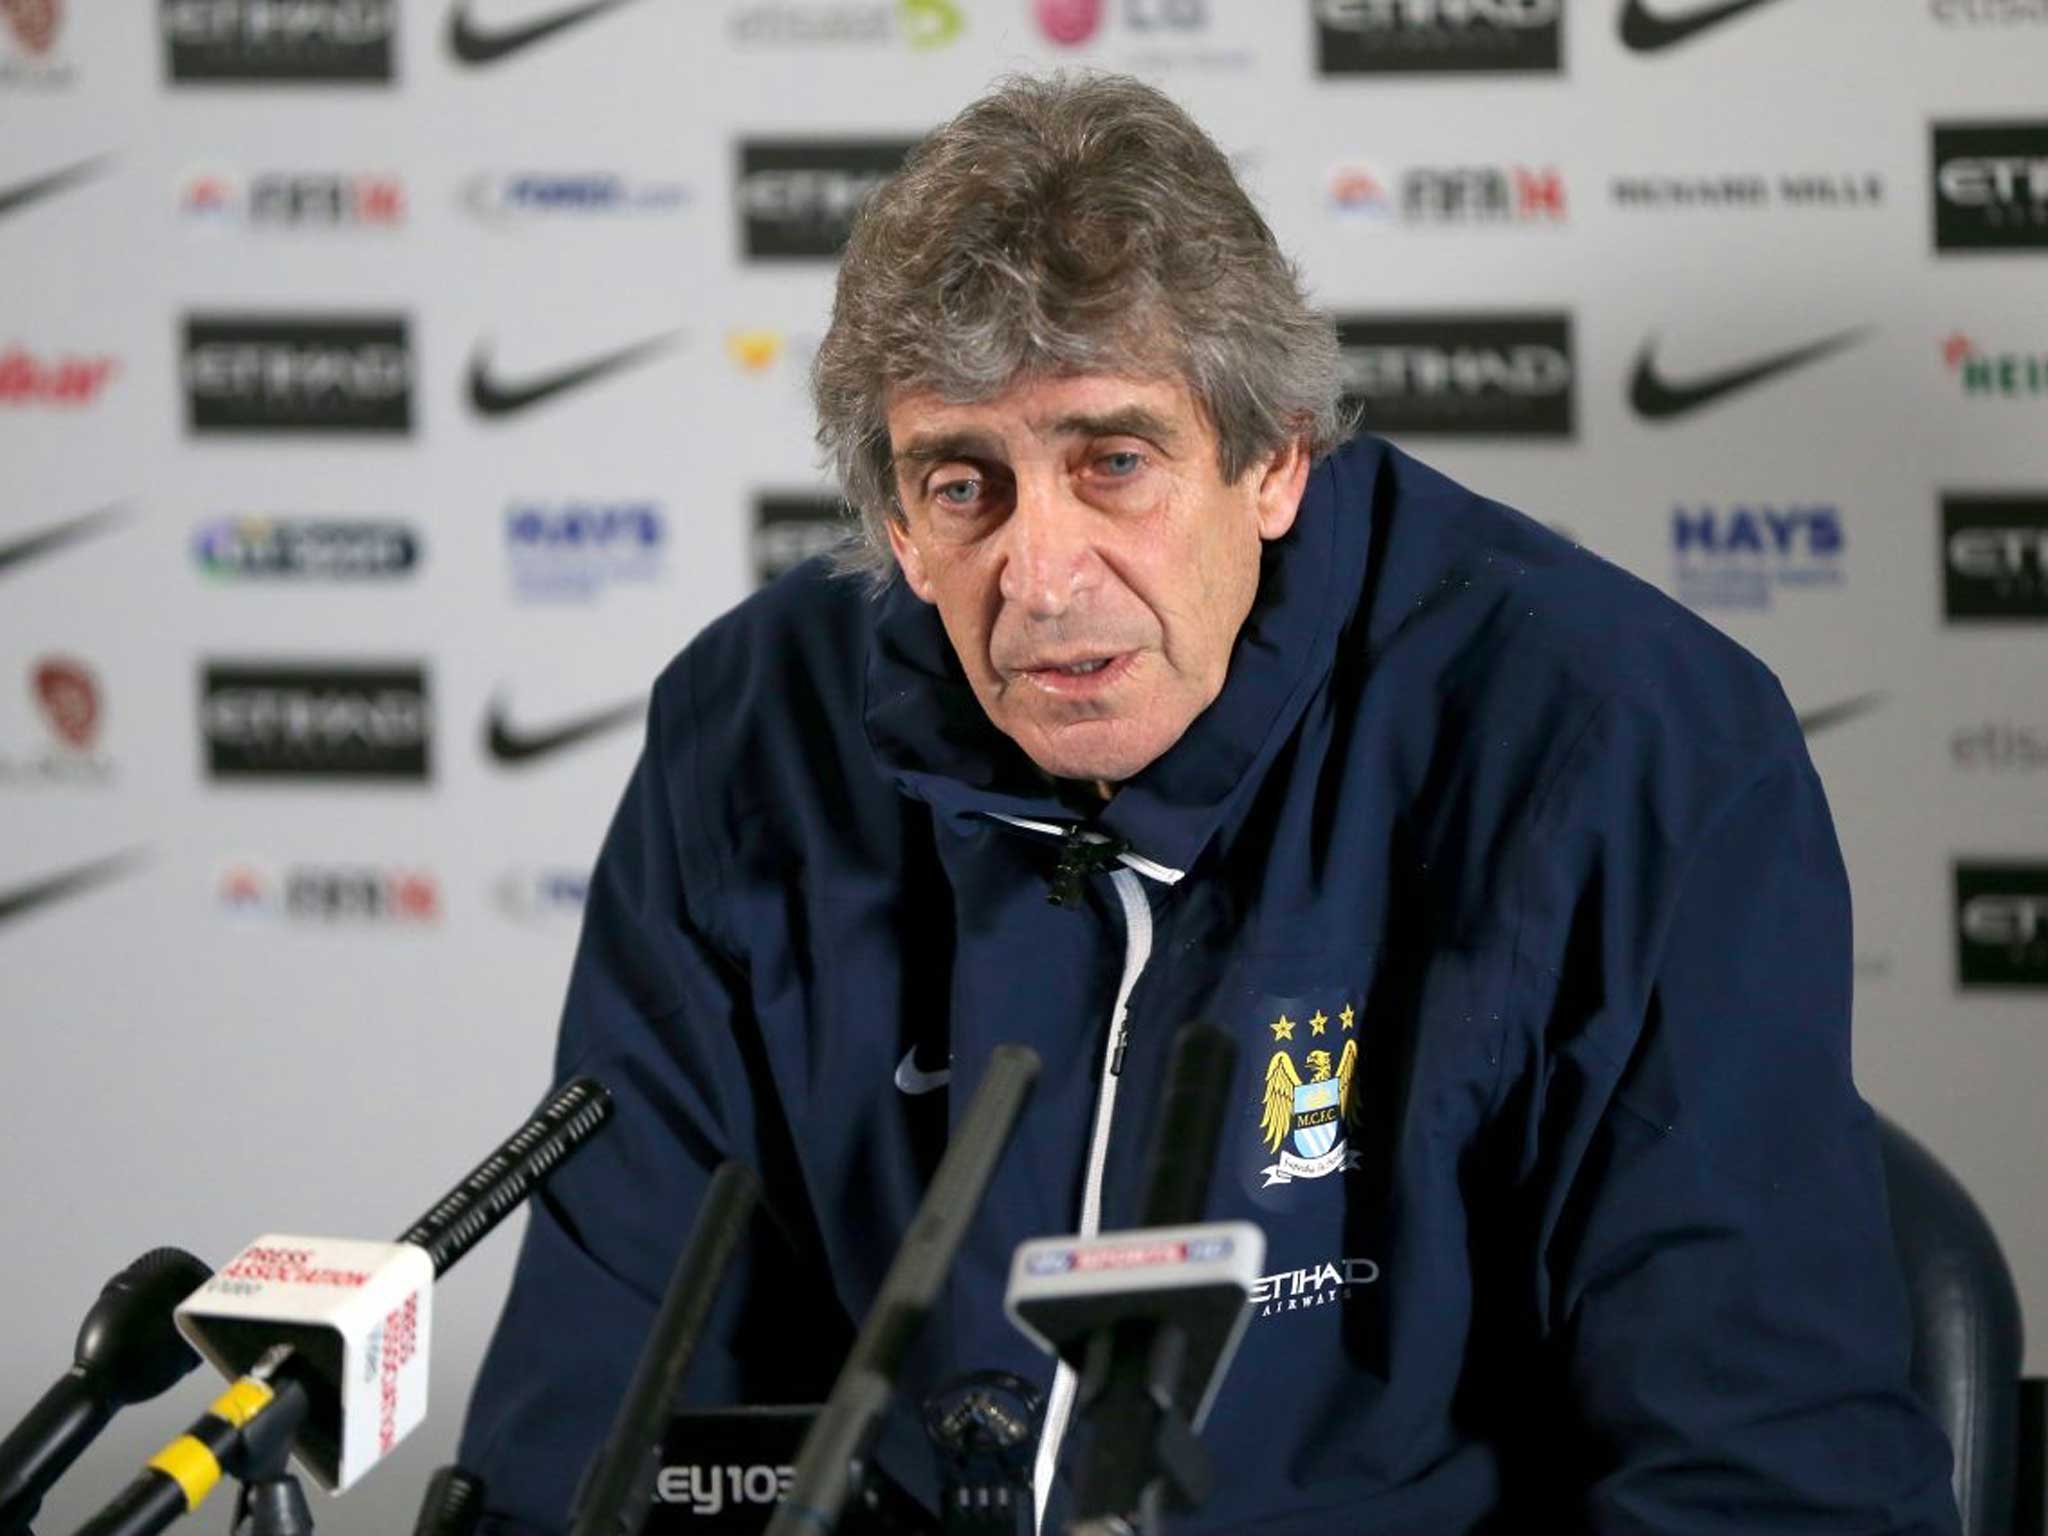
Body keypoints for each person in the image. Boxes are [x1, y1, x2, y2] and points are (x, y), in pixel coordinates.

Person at [459, 72, 1960, 1535]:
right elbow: (597, 1418)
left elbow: (1763, 1475)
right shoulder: (749, 739)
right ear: (894, 524)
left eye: (1114, 461)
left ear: (1273, 460)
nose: (1040, 580)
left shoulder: (1620, 740)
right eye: (962, 485)